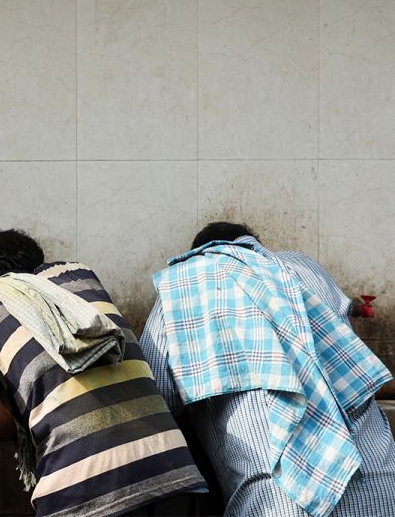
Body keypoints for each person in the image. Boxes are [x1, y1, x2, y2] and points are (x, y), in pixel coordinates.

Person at [0, 229, 207, 517]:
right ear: (38, 261)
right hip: (175, 471)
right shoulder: (79, 275)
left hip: (81, 493)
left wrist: (26, 435)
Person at [140, 221, 395, 517]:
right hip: (383, 490)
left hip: (275, 504)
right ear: (253, 244)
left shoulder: (180, 285)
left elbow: (154, 402)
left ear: (198, 253)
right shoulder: (305, 270)